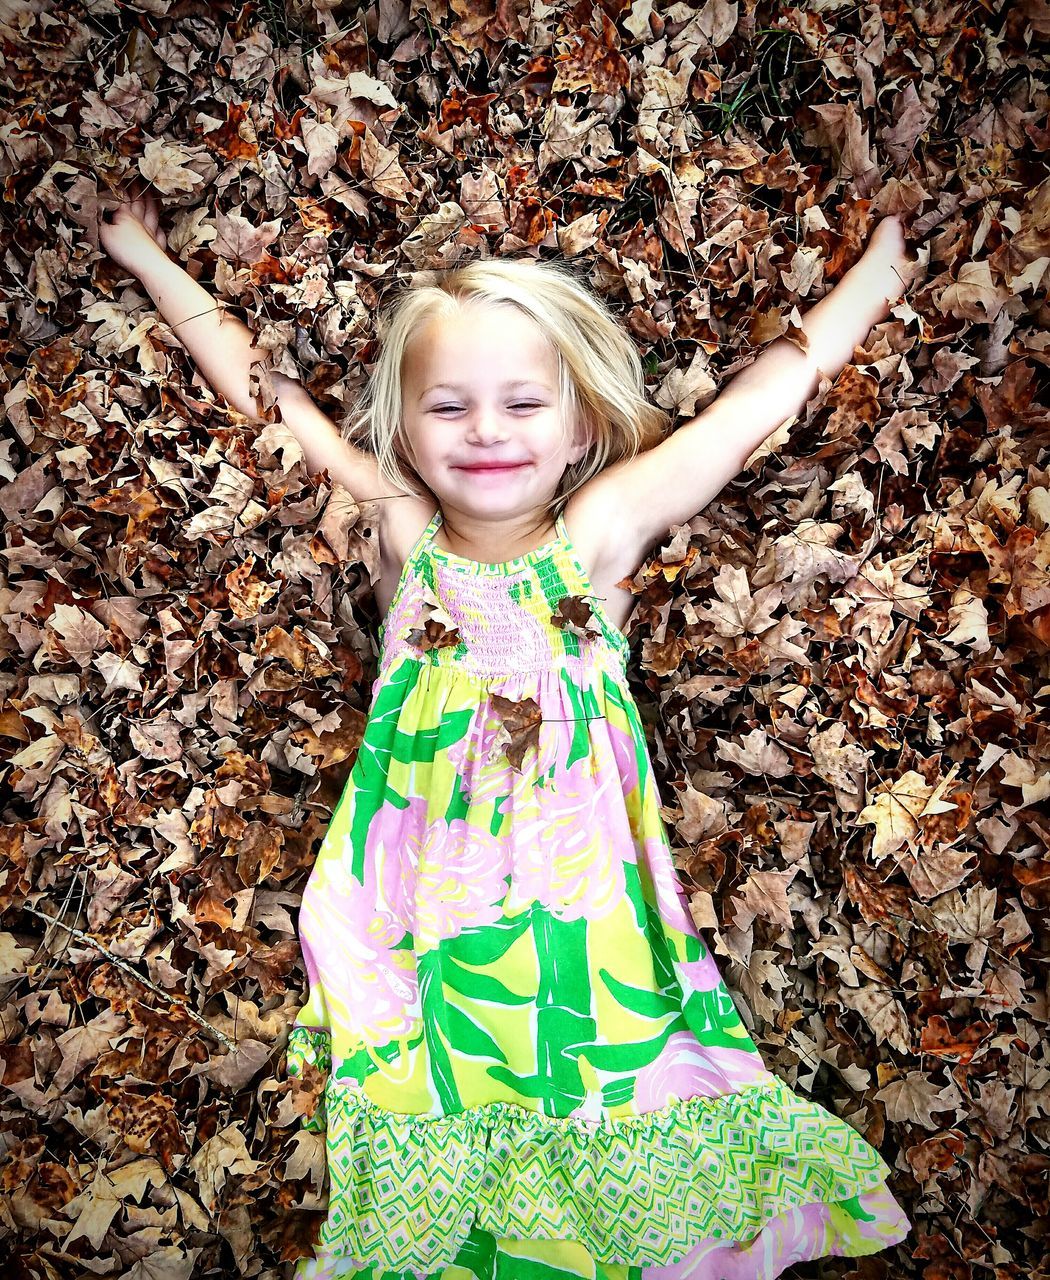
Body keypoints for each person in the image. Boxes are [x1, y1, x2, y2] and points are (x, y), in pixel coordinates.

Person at [99, 187, 916, 1280]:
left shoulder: (598, 530)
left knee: (609, 1083)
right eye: (450, 408)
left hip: (586, 905)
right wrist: (146, 255)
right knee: (457, 1102)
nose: (486, 431)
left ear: (580, 425)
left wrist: (880, 274)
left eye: (524, 403)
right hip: (428, 894)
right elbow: (264, 396)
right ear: (403, 426)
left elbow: (747, 412)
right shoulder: (403, 527)